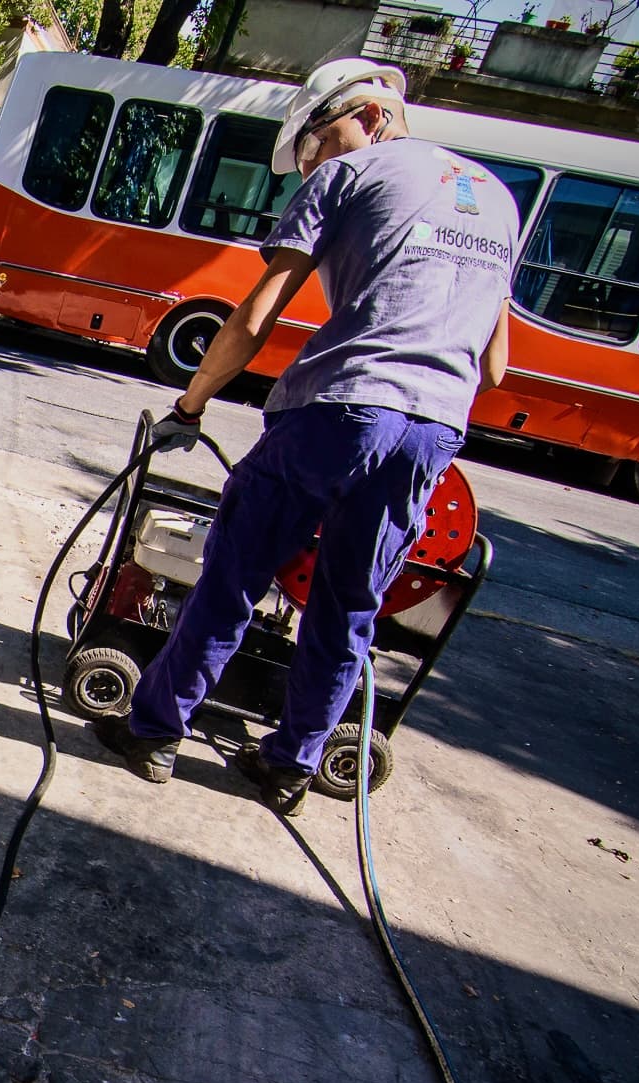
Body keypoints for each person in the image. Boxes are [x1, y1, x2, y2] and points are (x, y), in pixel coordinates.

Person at [93, 59, 518, 814]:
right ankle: (290, 765)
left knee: (235, 573)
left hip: (337, 408)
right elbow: (494, 367)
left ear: (373, 115)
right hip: (433, 429)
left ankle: (154, 731)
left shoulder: (350, 176)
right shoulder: (497, 201)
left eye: (316, 143)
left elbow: (255, 317)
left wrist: (190, 404)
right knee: (350, 604)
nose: (313, 163)